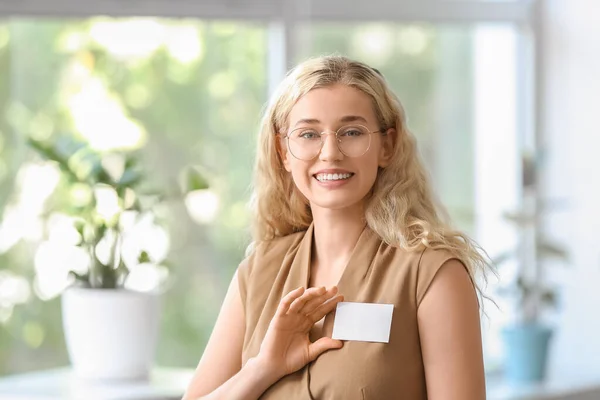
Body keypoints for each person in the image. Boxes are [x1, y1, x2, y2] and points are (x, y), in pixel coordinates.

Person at [183, 55, 489, 400]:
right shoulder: (258, 271)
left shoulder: (432, 274)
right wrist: (263, 367)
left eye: (352, 132)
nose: (330, 153)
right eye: (308, 134)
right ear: (284, 150)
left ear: (387, 146)